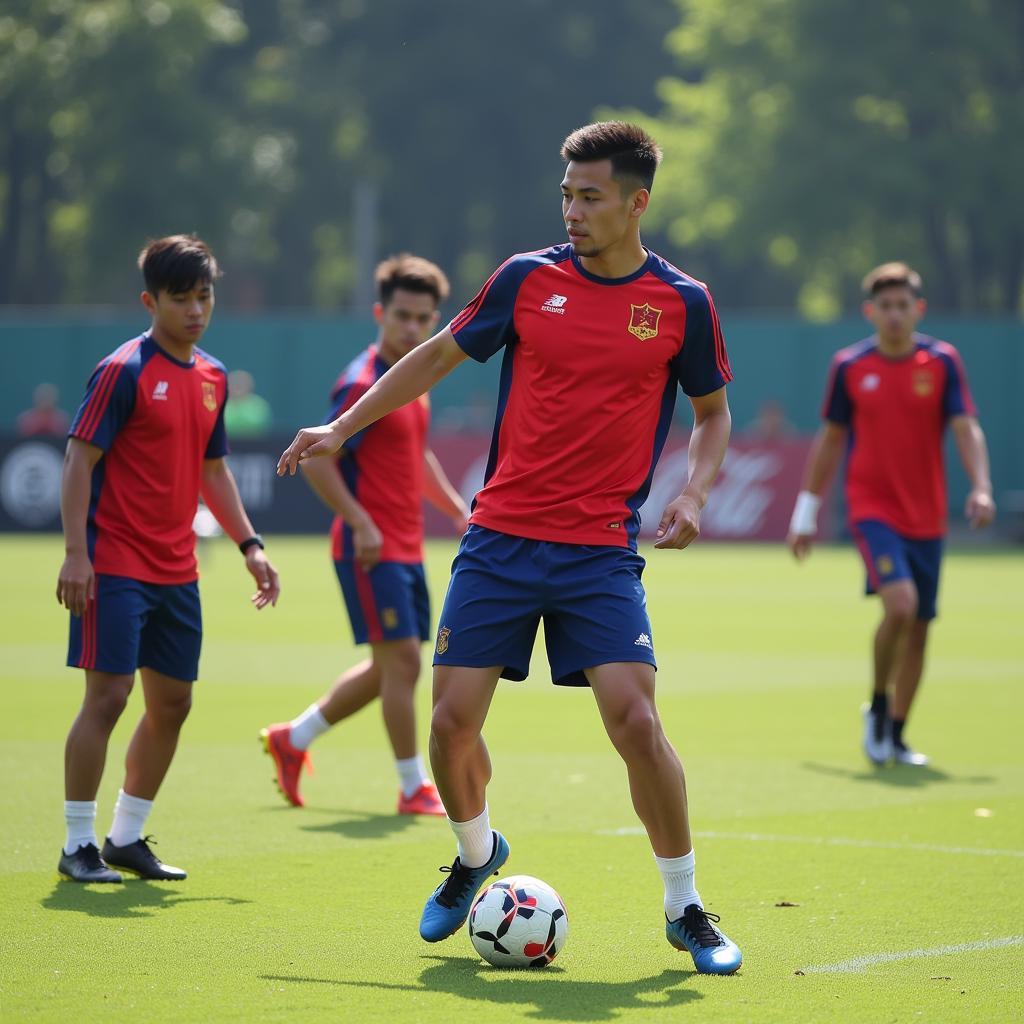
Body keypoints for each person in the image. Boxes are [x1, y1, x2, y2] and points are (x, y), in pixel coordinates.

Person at [278, 122, 742, 974]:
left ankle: (686, 909)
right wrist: (343, 426)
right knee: (451, 724)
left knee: (637, 723)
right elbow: (434, 357)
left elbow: (712, 416)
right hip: (498, 541)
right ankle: (476, 852)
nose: (571, 210)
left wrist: (693, 492)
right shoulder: (527, 280)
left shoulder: (685, 303)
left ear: (637, 201)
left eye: (590, 196)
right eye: (566, 194)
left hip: (599, 551)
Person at [56, 234, 280, 884]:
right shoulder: (122, 370)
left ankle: (125, 837)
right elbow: (78, 460)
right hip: (116, 563)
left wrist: (250, 545)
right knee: (108, 697)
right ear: (149, 300)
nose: (195, 310)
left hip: (179, 569)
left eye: (204, 296)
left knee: (174, 703)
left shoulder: (212, 376)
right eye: (180, 298)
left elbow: (214, 472)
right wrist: (77, 554)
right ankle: (77, 845)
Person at [261, 254, 469, 815]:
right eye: (401, 315)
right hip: (369, 548)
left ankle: (293, 738)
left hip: (402, 546)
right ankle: (412, 787)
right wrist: (360, 521)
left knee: (390, 668)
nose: (411, 328)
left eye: (422, 319)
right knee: (402, 664)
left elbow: (415, 453)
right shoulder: (360, 381)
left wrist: (453, 508)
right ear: (379, 312)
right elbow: (317, 458)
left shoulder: (414, 379)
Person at [787, 262, 995, 766]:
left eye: (904, 305)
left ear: (918, 309)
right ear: (870, 312)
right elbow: (831, 439)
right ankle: (878, 708)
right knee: (899, 606)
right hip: (872, 508)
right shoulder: (850, 367)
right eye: (886, 306)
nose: (895, 314)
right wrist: (805, 511)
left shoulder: (942, 362)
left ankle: (897, 735)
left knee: (920, 625)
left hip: (927, 513)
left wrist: (982, 487)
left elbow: (966, 427)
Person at [224, 369, 272, 438]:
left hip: (254, 445)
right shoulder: (221, 404)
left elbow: (260, 426)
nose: (237, 388)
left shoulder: (259, 405)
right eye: (234, 384)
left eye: (241, 385)